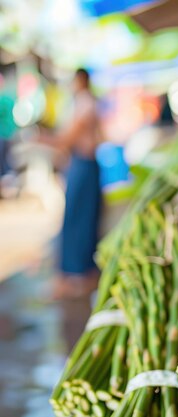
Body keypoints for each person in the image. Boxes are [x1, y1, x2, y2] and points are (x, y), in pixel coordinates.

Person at [42, 69, 102, 299]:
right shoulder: (82, 102)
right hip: (81, 163)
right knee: (80, 217)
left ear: (81, 80)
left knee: (79, 218)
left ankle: (78, 274)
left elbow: (69, 137)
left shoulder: (85, 103)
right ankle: (78, 272)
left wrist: (45, 139)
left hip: (84, 163)